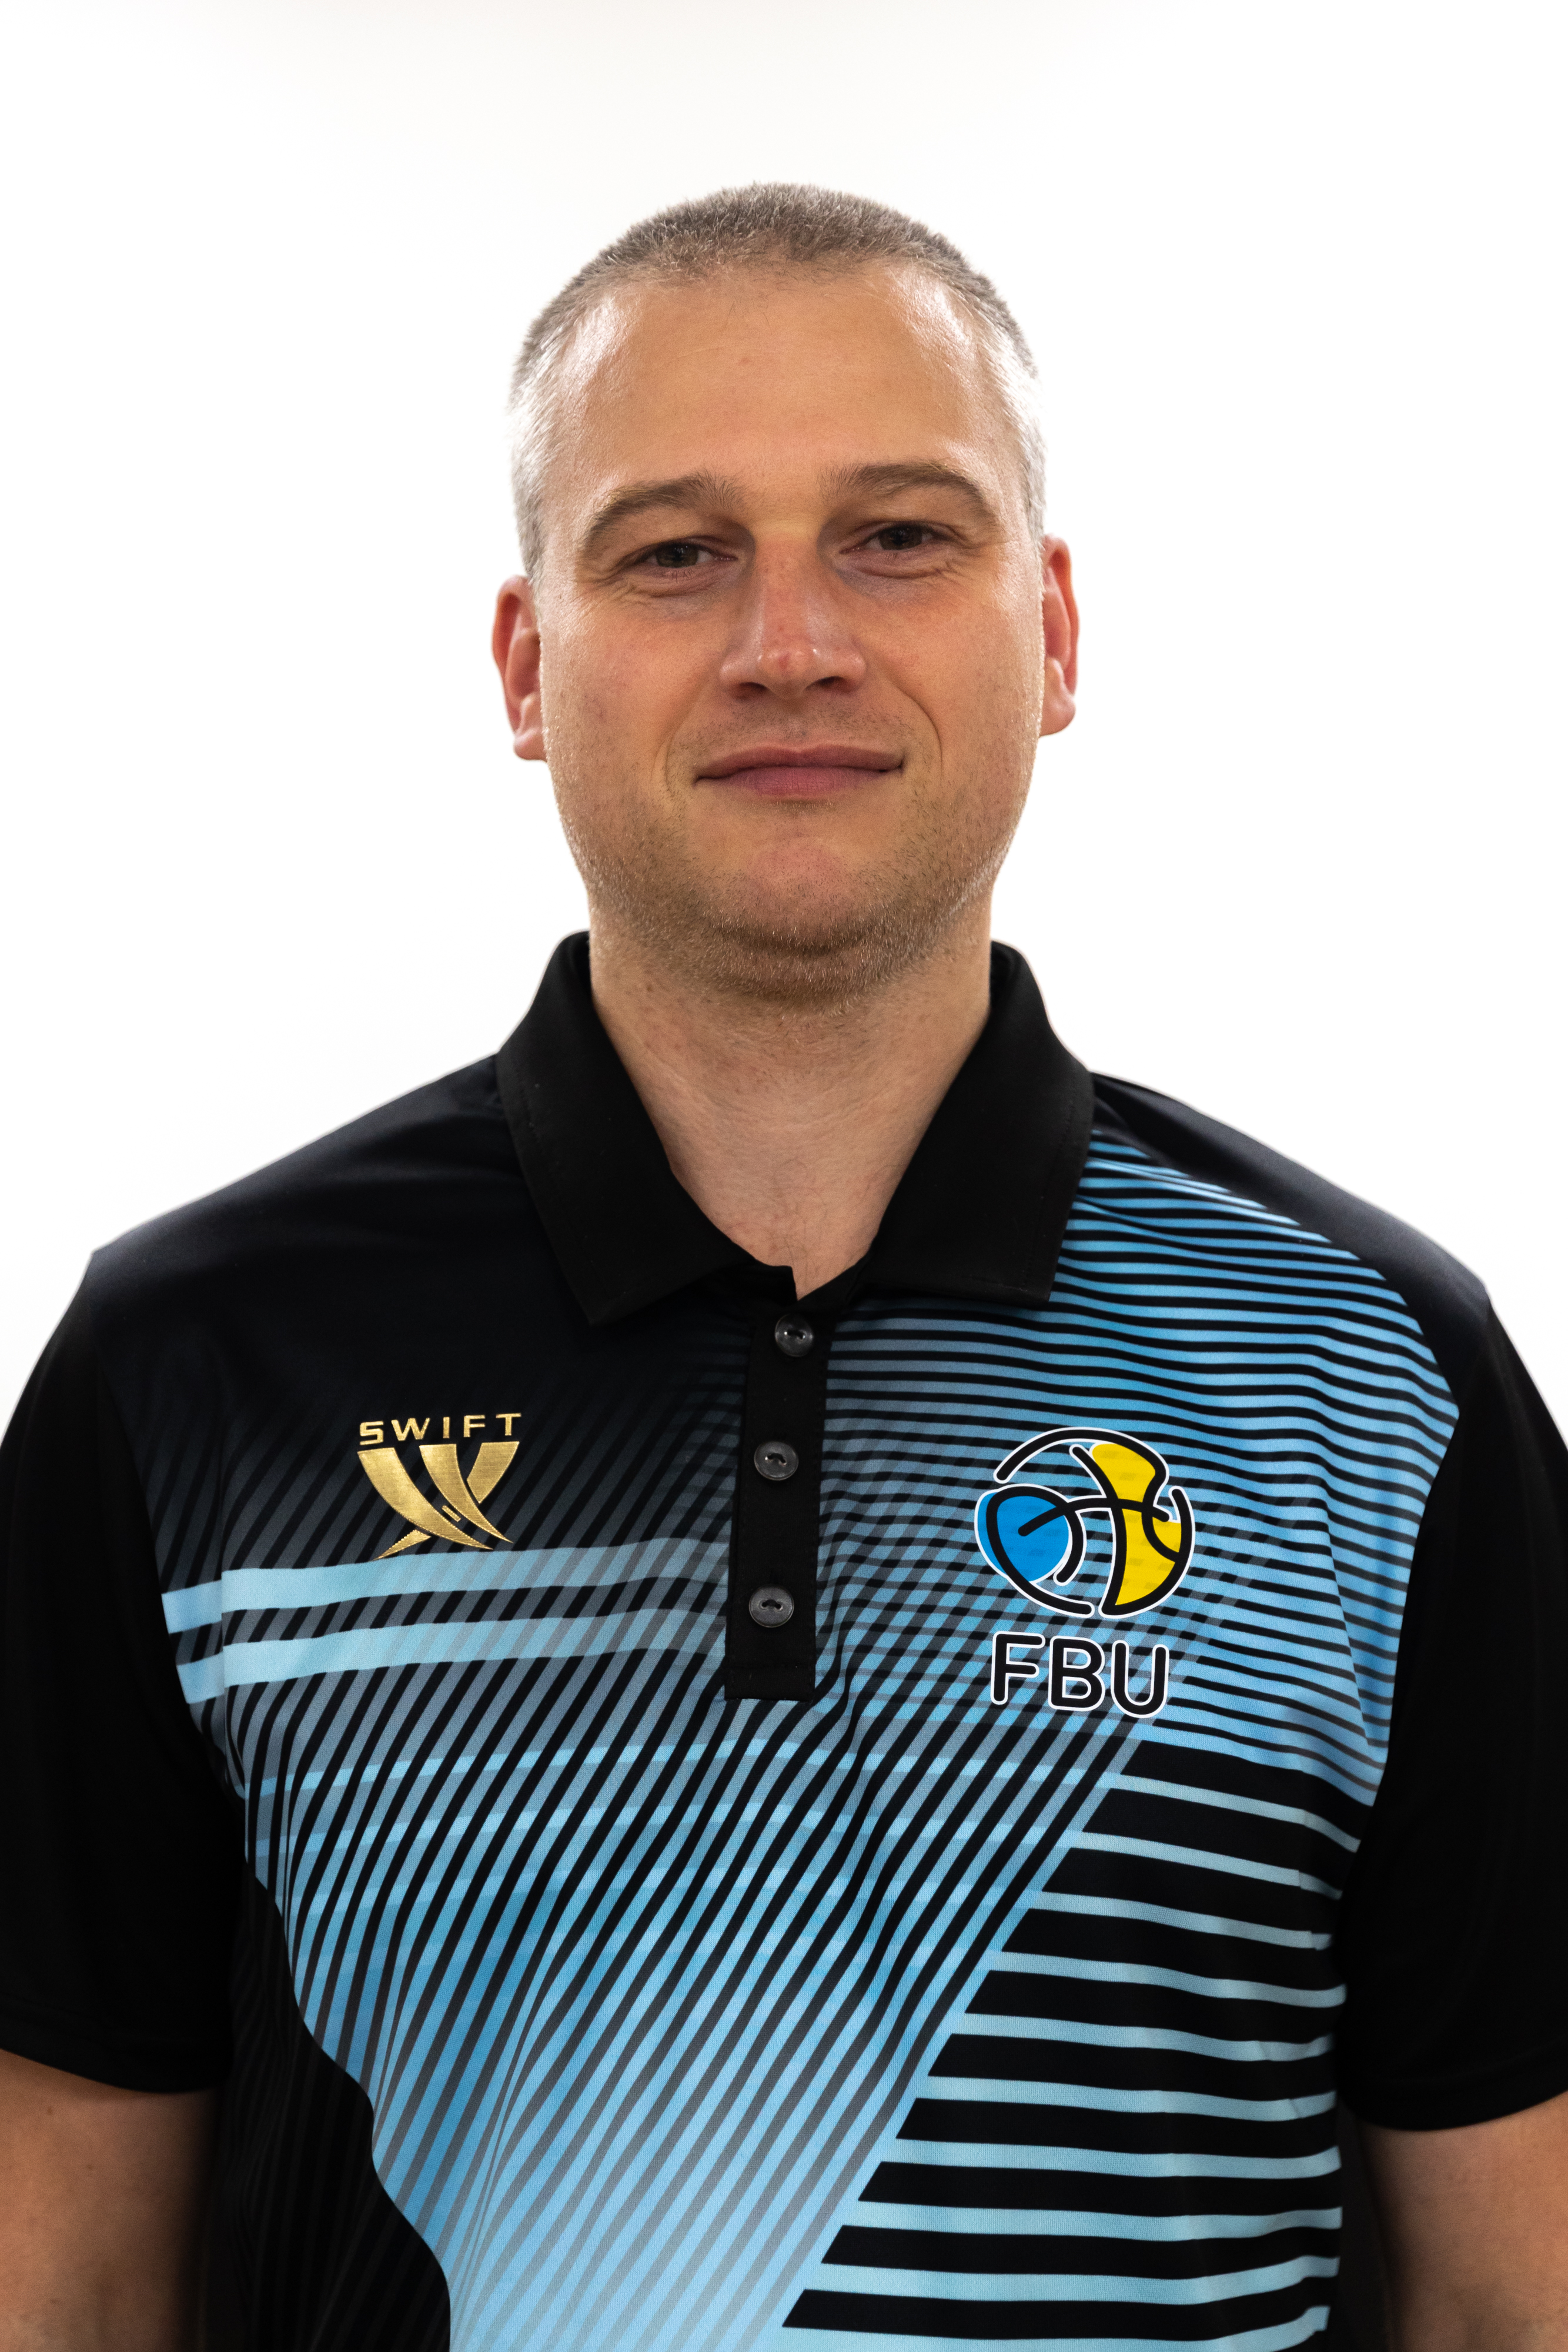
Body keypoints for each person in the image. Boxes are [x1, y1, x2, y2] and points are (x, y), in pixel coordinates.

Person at [0, 182, 1564, 2352]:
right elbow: (68, 2272)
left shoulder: (1368, 1381)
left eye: (899, 536)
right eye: (674, 552)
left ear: (1054, 632)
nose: (790, 643)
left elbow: (1506, 2290)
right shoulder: (189, 1372)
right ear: (527, 665)